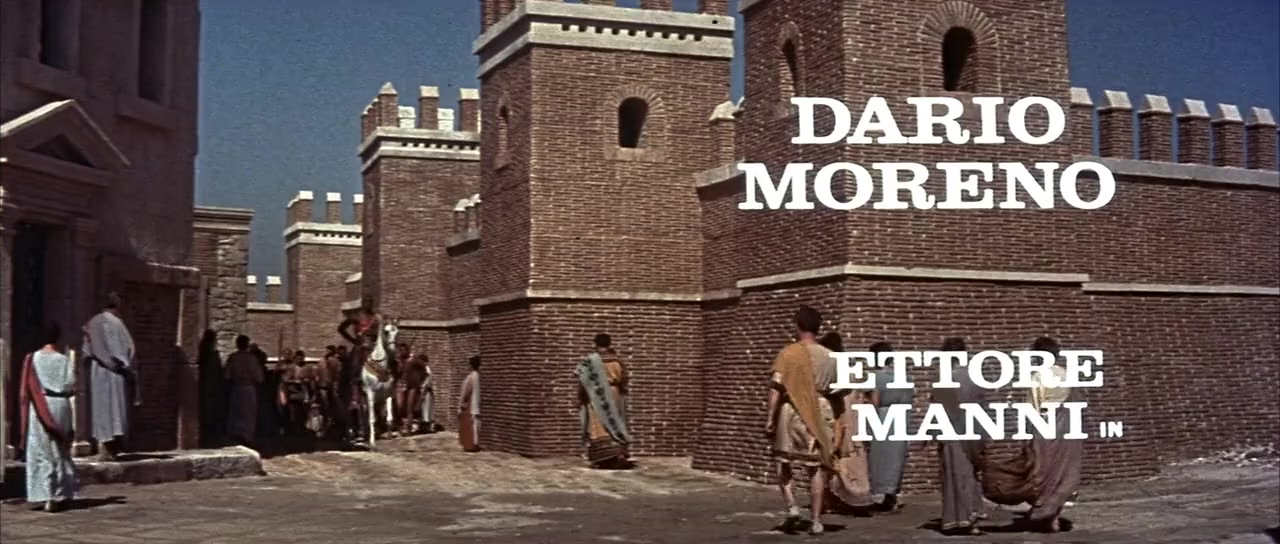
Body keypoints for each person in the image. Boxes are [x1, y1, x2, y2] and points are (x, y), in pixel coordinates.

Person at [982, 336, 1083, 533]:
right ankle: (1053, 515)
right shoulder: (1067, 375)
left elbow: (1033, 407)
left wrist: (1028, 434)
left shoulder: (1039, 377)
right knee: (1061, 473)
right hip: (1067, 432)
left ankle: (1046, 514)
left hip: (1045, 431)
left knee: (1043, 472)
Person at [765, 305, 839, 535]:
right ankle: (816, 521)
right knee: (815, 468)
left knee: (782, 460)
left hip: (793, 409)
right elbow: (838, 389)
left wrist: (770, 418)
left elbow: (776, 387)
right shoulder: (830, 356)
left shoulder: (789, 353)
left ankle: (792, 507)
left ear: (798, 326)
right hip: (821, 410)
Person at [933, 337, 988, 536]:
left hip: (952, 433)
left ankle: (958, 518)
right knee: (970, 475)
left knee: (954, 476)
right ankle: (972, 517)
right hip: (972, 432)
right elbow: (983, 406)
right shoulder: (974, 377)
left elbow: (938, 409)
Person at [21, 322, 78, 512]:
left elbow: (26, 389)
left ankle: (47, 494)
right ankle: (61, 492)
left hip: (41, 404)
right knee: (60, 449)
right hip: (61, 405)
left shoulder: (33, 359)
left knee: (42, 449)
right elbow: (70, 383)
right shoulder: (63, 360)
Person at [818, 331, 873, 514]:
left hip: (841, 413)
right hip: (855, 414)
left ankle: (838, 497)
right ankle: (851, 496)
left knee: (836, 453)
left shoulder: (835, 367)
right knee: (853, 452)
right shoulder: (852, 367)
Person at [83, 292, 135, 461]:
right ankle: (113, 448)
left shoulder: (94, 322)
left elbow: (92, 348)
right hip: (119, 372)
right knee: (116, 410)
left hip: (101, 371)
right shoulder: (119, 324)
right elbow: (130, 349)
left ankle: (105, 449)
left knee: (103, 410)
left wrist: (106, 361)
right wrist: (122, 364)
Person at [867, 340, 912, 512]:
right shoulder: (905, 377)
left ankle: (885, 495)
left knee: (881, 459)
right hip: (901, 419)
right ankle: (893, 494)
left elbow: (875, 402)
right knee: (896, 459)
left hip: (884, 419)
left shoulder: (876, 378)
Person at [576, 334, 632, 469]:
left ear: (595, 344)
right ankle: (618, 454)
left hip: (597, 395)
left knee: (598, 425)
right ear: (609, 344)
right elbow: (624, 379)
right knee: (615, 421)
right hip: (614, 393)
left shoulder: (590, 360)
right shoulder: (617, 360)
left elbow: (582, 379)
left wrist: (581, 396)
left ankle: (602, 458)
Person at [224, 335, 265, 446]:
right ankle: (247, 436)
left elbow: (227, 375)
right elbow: (259, 378)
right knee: (248, 413)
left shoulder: (233, 358)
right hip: (248, 388)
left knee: (237, 412)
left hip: (237, 388)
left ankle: (237, 435)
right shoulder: (252, 359)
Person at [197, 330, 227, 447]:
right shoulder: (213, 356)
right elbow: (219, 372)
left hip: (204, 386)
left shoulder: (202, 353)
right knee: (211, 410)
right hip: (212, 386)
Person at [280, 350, 313, 436]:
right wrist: (295, 381)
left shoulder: (308, 367)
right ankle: (295, 429)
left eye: (301, 358)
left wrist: (308, 381)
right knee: (294, 413)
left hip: (304, 393)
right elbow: (285, 380)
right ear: (295, 359)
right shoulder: (291, 368)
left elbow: (312, 379)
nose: (300, 360)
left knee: (304, 412)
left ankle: (302, 428)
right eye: (298, 359)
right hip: (294, 393)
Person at [458, 355, 481, 452]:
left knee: (469, 425)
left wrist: (462, 402)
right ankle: (473, 444)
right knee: (474, 424)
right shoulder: (478, 376)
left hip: (470, 404)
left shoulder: (472, 376)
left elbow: (467, 391)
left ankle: (470, 445)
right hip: (475, 403)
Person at [401, 351, 428, 433]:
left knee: (410, 408)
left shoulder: (418, 364)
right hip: (408, 386)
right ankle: (407, 425)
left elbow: (423, 370)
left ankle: (408, 427)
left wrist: (413, 358)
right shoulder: (408, 365)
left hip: (414, 386)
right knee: (405, 407)